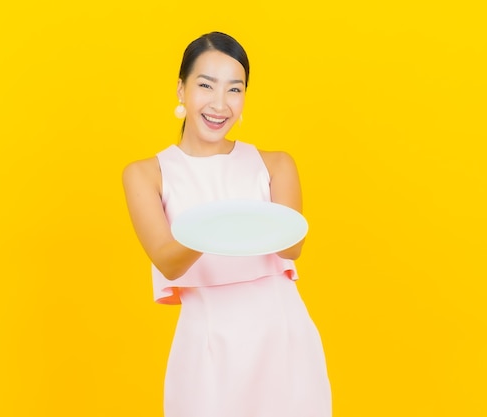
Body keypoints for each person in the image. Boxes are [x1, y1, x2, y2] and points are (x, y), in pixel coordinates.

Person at [122, 31, 331, 417]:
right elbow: (168, 261)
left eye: (235, 90)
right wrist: (223, 222)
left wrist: (220, 222)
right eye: (206, 85)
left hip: (284, 339)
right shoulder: (147, 174)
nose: (220, 104)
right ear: (181, 90)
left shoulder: (275, 165)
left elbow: (292, 245)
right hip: (208, 343)